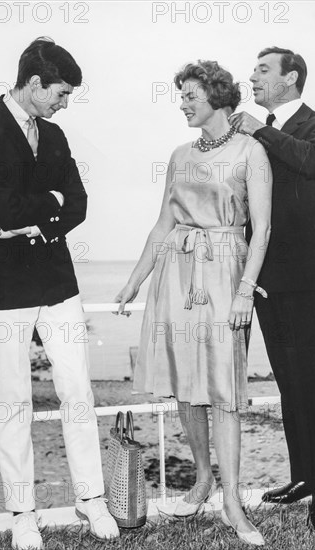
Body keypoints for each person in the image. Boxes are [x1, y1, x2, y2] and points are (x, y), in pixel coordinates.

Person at [0, 37, 119, 549]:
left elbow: (79, 205)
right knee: (12, 402)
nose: (64, 103)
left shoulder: (55, 136)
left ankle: (91, 500)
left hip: (56, 280)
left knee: (78, 393)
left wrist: (36, 222)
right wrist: (47, 203)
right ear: (33, 84)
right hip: (3, 286)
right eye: (61, 93)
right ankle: (22, 514)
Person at [115, 60, 272, 546]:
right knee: (186, 384)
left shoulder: (252, 151)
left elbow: (262, 229)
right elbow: (163, 224)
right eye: (181, 95)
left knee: (223, 387)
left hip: (225, 271)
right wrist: (135, 281)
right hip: (177, 272)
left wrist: (246, 290)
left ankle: (232, 502)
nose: (182, 102)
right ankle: (203, 478)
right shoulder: (180, 153)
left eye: (190, 95)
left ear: (218, 97)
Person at [230, 47, 315, 533]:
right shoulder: (261, 135)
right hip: (267, 277)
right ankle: (301, 476)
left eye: (262, 70)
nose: (251, 76)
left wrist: (257, 127)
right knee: (287, 382)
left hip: (309, 276)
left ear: (290, 78)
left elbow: (311, 161)